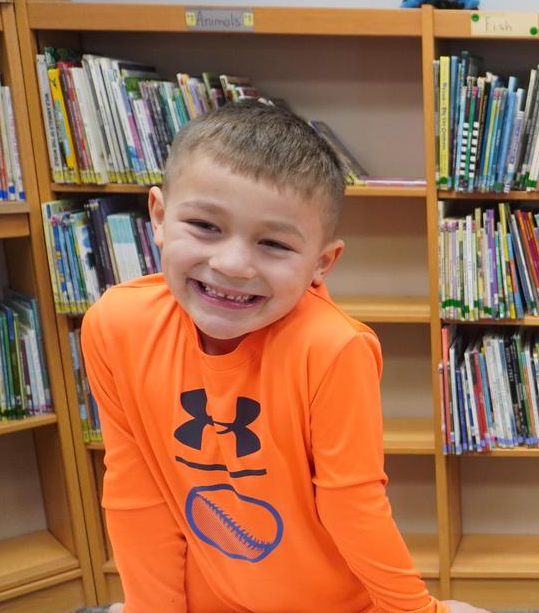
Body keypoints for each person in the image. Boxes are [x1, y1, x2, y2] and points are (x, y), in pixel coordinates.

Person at [82, 101, 485, 613]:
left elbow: (353, 505)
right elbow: (136, 492)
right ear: (159, 217)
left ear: (322, 263)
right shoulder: (115, 325)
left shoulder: (335, 349)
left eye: (273, 243)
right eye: (205, 226)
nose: (232, 265)